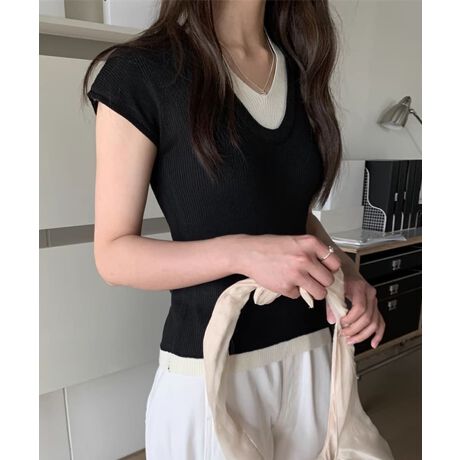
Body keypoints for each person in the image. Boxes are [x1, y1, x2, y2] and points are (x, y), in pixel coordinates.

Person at [82, 1, 385, 458]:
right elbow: (113, 255)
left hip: (312, 356)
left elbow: (290, 215)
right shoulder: (141, 72)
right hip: (211, 373)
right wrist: (242, 253)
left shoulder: (300, 68)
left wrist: (347, 271)